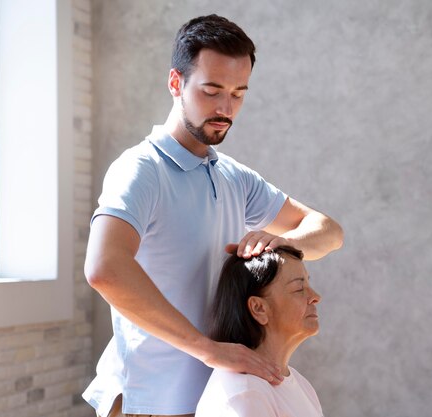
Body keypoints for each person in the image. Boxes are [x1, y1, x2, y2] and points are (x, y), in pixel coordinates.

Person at [82, 14, 343, 417]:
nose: (226, 108)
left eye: (239, 93)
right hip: (152, 404)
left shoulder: (233, 176)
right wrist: (208, 351)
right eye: (212, 90)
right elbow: (104, 268)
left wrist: (288, 242)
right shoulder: (140, 170)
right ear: (175, 83)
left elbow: (328, 231)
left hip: (215, 399)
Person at [195, 246, 324, 417]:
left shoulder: (300, 384)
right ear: (259, 308)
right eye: (299, 289)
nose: (315, 296)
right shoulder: (245, 395)